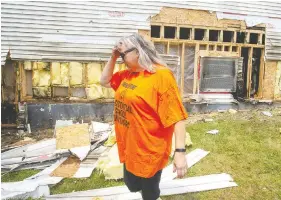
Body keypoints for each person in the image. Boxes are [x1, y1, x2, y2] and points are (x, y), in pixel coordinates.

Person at [100, 33, 188, 200]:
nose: (121, 58)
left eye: (123, 55)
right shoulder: (128, 74)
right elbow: (104, 81)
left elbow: (177, 116)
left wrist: (180, 152)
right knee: (131, 185)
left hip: (150, 148)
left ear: (138, 52)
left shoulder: (161, 76)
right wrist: (113, 57)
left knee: (149, 193)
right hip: (129, 144)